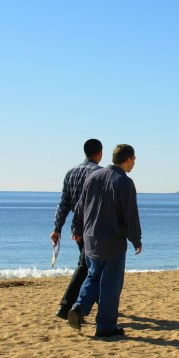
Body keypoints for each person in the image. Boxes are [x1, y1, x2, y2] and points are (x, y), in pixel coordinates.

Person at [68, 144, 142, 338]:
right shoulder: (124, 182)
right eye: (134, 159)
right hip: (112, 241)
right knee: (110, 283)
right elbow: (130, 215)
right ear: (127, 159)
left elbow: (80, 207)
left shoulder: (94, 176)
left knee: (93, 276)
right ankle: (105, 326)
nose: (135, 163)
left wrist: (76, 228)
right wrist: (136, 239)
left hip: (90, 238)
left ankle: (78, 307)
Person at [52, 139, 103, 320]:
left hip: (77, 230)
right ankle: (66, 306)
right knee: (86, 266)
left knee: (91, 266)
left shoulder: (71, 173)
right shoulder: (99, 173)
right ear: (99, 153)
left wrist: (57, 228)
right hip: (92, 229)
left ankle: (100, 302)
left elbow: (63, 204)